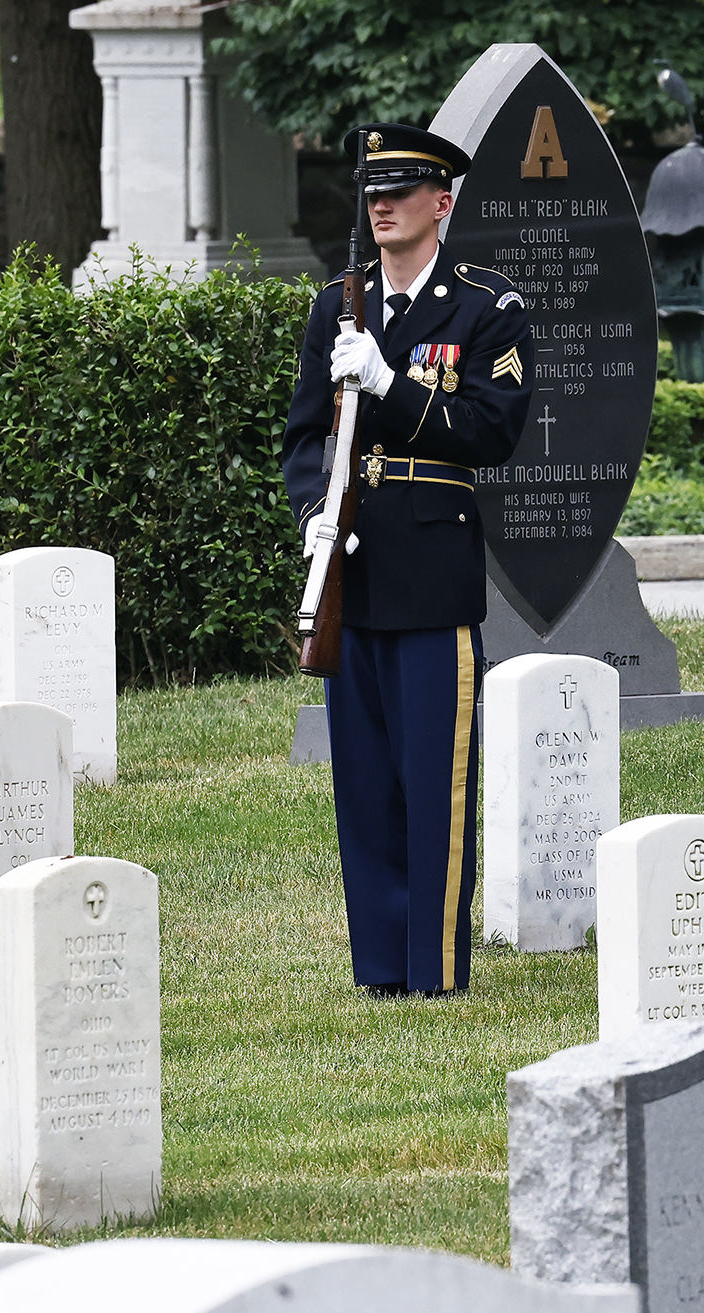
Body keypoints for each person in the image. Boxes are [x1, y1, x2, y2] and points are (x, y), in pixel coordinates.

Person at [281, 123, 531, 996]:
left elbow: (495, 431)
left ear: (442, 202)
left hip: (430, 569)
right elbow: (305, 436)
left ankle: (435, 965)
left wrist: (395, 385)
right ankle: (381, 966)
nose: (382, 204)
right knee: (366, 787)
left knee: (436, 784)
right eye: (372, 191)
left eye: (401, 189)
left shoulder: (485, 307)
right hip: (353, 573)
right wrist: (316, 511)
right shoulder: (336, 305)